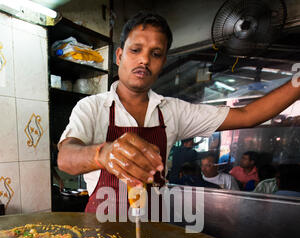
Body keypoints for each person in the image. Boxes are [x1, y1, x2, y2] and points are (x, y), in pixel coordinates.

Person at [57, 11, 300, 217]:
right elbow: (66, 158)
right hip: (102, 227)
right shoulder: (91, 107)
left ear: (162, 62)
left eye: (155, 53)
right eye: (136, 50)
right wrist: (105, 153)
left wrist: (297, 84)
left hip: (155, 228)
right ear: (120, 56)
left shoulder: (173, 111)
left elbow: (248, 115)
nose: (144, 60)